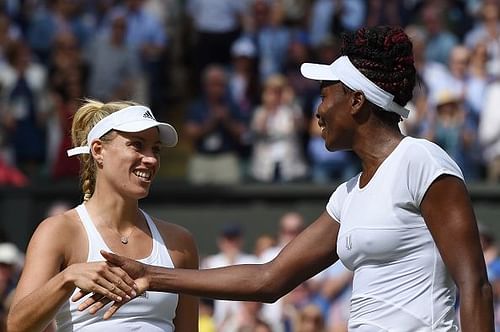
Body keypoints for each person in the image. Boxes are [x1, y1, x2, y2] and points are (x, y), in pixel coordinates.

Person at [80, 26, 493, 331]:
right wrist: (152, 276)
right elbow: (268, 278)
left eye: (325, 93)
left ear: (356, 100)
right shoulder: (348, 196)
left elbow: (474, 283)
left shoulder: (421, 160)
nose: (317, 109)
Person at [6, 99, 199, 332]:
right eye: (137, 145)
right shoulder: (58, 231)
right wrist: (68, 277)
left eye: (155, 149)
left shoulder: (181, 242)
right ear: (98, 151)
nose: (151, 159)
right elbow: (17, 326)